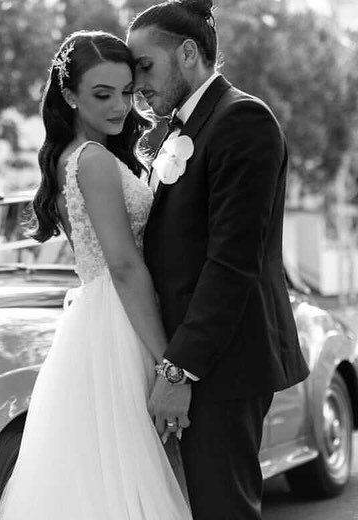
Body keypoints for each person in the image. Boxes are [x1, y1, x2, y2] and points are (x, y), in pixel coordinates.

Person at [0, 30, 192, 519]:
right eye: (102, 95)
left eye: (127, 92)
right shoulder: (95, 161)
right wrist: (169, 361)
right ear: (68, 95)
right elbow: (125, 267)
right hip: (123, 323)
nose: (120, 107)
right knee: (132, 478)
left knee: (105, 478)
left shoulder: (72, 158)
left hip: (96, 322)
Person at [126, 1, 311, 518]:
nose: (137, 83)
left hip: (221, 364)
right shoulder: (178, 130)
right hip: (192, 357)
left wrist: (180, 371)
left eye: (145, 66)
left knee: (222, 509)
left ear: (187, 53)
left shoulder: (242, 120)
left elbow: (232, 262)